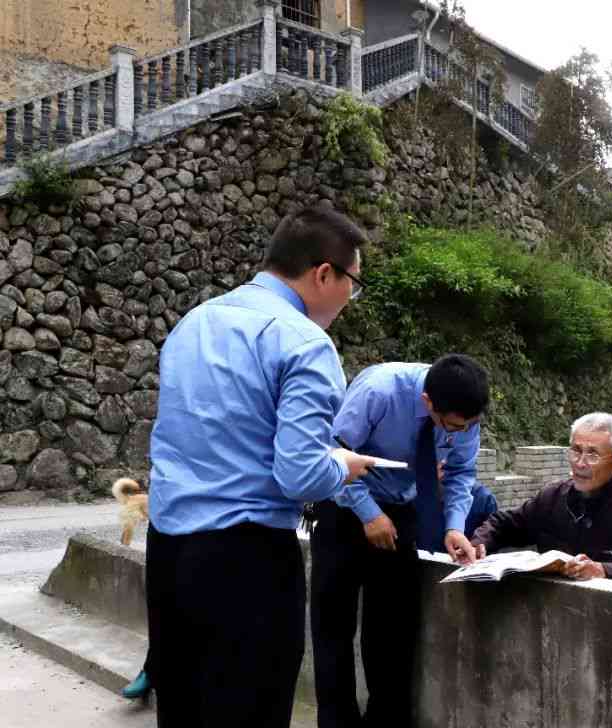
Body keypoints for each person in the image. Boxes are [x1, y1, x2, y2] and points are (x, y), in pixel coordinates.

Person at [146, 207, 376, 728]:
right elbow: (299, 475)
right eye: (352, 283)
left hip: (168, 550)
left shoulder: (194, 321)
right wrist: (340, 465)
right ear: (324, 273)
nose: (349, 298)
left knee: (183, 707)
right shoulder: (303, 342)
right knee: (249, 709)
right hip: (246, 560)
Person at [311, 355, 488, 728]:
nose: (457, 435)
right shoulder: (379, 390)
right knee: (334, 624)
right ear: (428, 403)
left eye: (467, 427)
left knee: (393, 627)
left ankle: (386, 719)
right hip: (343, 504)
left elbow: (459, 472)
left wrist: (453, 526)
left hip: (402, 508)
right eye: (451, 427)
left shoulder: (464, 415)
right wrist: (368, 513)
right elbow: (331, 453)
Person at [471, 412, 612, 587]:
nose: (580, 463)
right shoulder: (552, 497)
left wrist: (603, 570)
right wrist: (479, 544)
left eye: (593, 454)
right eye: (576, 450)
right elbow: (504, 523)